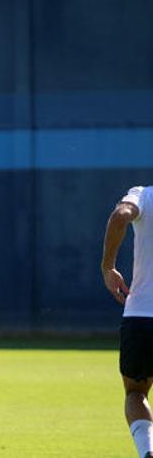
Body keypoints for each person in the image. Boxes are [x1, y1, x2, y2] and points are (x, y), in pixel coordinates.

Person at [101, 186, 153, 458]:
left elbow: (121, 215)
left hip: (142, 316)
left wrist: (108, 266)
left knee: (135, 393)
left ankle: (147, 452)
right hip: (141, 315)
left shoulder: (144, 195)